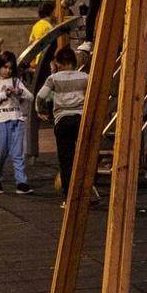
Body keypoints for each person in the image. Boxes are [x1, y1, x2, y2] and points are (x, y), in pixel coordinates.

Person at [35, 47, 88, 207]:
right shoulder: (85, 76)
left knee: (66, 160)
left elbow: (40, 96)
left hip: (63, 120)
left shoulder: (54, 78)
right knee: (84, 157)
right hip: (81, 119)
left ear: (58, 62)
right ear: (74, 61)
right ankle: (86, 191)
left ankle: (68, 198)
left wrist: (40, 110)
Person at [0, 51, 34, 195]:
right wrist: (3, 94)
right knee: (2, 152)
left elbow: (30, 96)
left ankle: (21, 182)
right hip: (1, 120)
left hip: (17, 118)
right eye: (5, 67)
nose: (8, 70)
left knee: (18, 152)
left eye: (11, 68)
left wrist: (19, 92)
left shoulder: (16, 81)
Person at [29, 1, 56, 68]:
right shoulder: (48, 27)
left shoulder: (35, 26)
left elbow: (30, 43)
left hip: (37, 61)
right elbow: (49, 47)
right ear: (51, 12)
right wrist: (52, 63)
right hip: (45, 61)